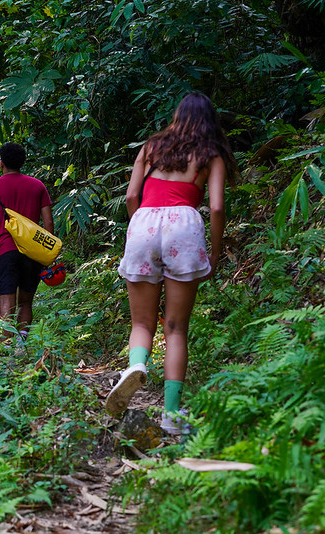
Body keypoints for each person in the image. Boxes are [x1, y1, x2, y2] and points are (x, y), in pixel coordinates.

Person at [104, 92, 237, 434]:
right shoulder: (211, 153)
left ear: (177, 115)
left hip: (145, 223)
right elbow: (218, 207)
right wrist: (216, 252)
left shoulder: (151, 146)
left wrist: (140, 227)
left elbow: (132, 195)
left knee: (142, 323)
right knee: (176, 328)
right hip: (184, 227)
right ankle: (172, 417)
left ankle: (135, 366)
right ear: (210, 121)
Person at [0, 142, 53, 342]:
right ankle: (21, 342)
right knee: (26, 302)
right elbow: (49, 222)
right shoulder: (38, 186)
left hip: (4, 251)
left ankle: (8, 346)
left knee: (6, 301)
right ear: (22, 163)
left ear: (1, 163)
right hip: (32, 252)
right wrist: (45, 254)